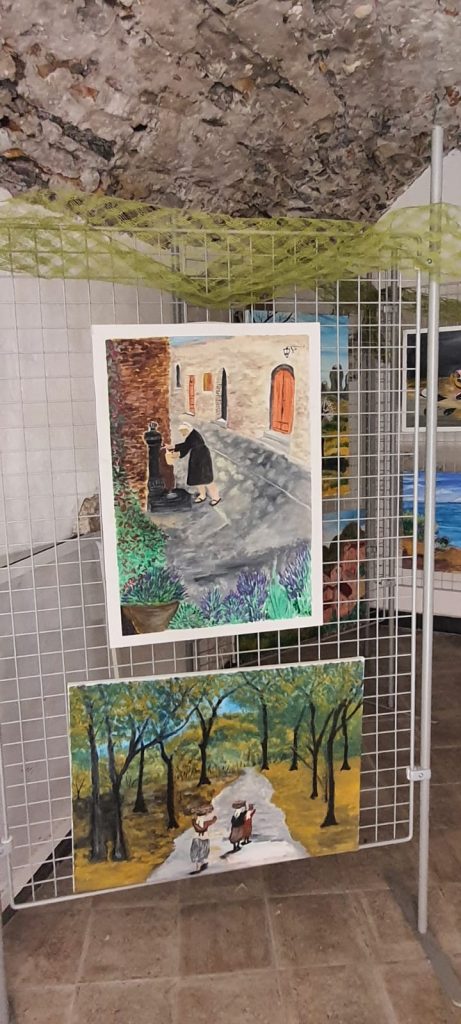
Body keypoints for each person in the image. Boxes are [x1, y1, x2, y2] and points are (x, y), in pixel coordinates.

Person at [169, 423, 221, 506]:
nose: (182, 433)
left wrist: (177, 451)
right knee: (198, 478)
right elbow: (186, 445)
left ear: (187, 429)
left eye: (183, 431)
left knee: (207, 479)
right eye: (181, 431)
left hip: (203, 458)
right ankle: (202, 495)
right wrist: (174, 448)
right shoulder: (190, 435)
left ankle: (216, 497)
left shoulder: (194, 435)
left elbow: (186, 446)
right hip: (196, 458)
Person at [190, 803, 217, 874]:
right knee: (201, 853)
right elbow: (201, 828)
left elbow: (200, 827)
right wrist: (214, 819)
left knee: (198, 853)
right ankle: (199, 866)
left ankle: (200, 865)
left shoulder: (196, 821)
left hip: (198, 838)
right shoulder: (204, 821)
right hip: (202, 838)